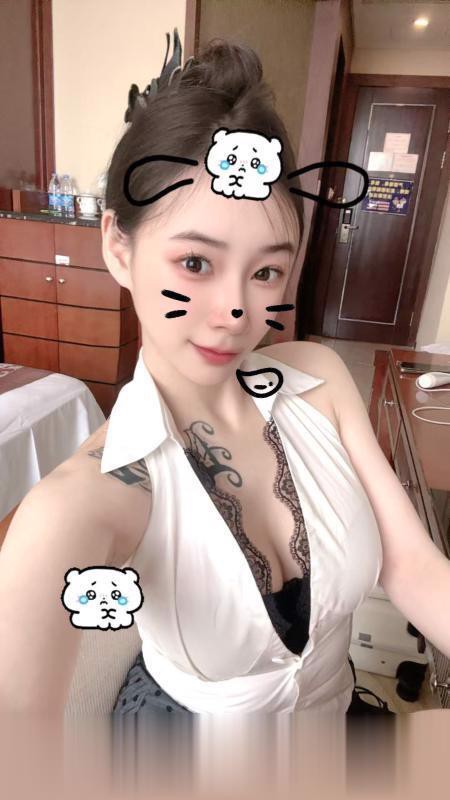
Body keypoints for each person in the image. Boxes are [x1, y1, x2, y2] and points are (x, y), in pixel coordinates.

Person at [0, 38, 445, 718]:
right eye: (196, 264)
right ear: (119, 247)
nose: (236, 312)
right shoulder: (85, 501)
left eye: (266, 271)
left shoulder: (320, 380)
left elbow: (411, 566)